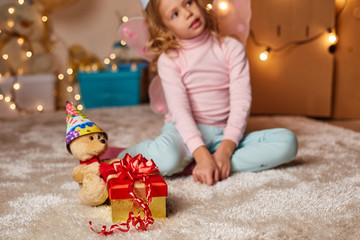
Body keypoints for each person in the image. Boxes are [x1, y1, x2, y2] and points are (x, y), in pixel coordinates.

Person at [119, 0, 298, 185]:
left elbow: (241, 102)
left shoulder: (232, 48)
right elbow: (179, 111)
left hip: (224, 134)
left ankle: (207, 164)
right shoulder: (169, 59)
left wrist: (226, 149)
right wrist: (200, 152)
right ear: (165, 27)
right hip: (183, 132)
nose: (187, 13)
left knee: (287, 142)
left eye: (188, 3)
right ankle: (126, 156)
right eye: (175, 14)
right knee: (167, 156)